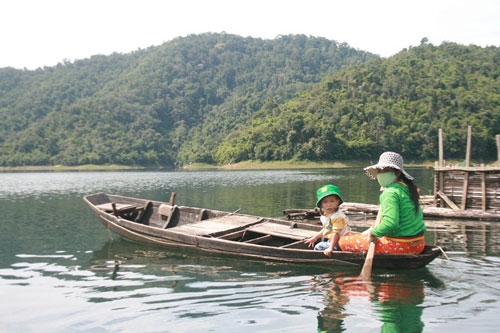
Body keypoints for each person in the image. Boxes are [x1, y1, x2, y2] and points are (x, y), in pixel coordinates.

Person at [339, 152, 426, 255]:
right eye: (379, 171)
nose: (381, 174)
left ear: (397, 173)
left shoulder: (390, 192)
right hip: (418, 245)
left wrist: (373, 233)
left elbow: (390, 224)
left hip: (400, 247)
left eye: (386, 170)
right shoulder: (408, 189)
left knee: (343, 241)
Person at [304, 184, 350, 257]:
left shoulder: (338, 217)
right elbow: (327, 228)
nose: (329, 204)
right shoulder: (327, 215)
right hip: (334, 241)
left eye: (332, 201)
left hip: (340, 243)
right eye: (325, 202)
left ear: (337, 202)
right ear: (321, 204)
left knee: (318, 246)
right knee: (320, 243)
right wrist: (315, 237)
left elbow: (336, 234)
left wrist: (330, 248)